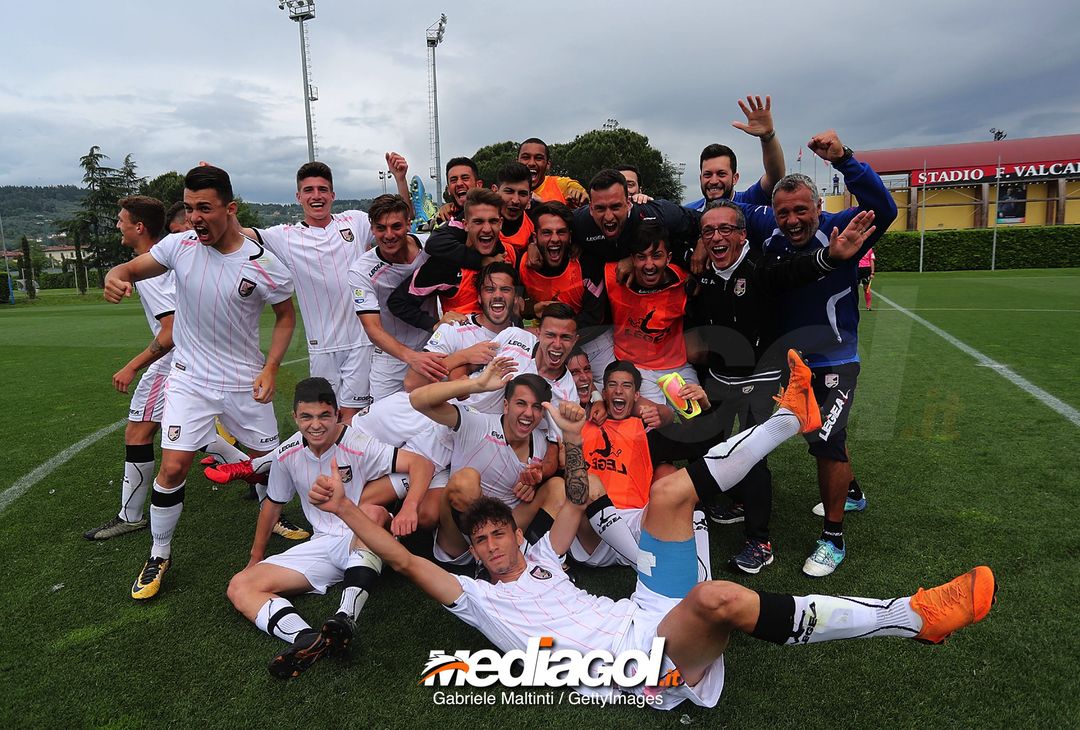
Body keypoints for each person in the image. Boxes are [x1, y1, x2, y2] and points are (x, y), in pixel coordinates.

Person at [307, 350, 995, 710]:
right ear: (480, 562)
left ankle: (791, 416)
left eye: (497, 536)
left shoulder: (545, 557)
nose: (490, 546)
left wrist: (574, 439)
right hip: (635, 667)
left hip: (643, 611)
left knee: (670, 492)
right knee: (718, 598)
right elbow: (403, 561)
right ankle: (912, 616)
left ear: (518, 537)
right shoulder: (481, 600)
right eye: (482, 544)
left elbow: (577, 497)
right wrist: (342, 508)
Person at [103, 165, 296, 600]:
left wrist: (271, 368)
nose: (195, 218)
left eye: (204, 208)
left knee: (271, 464)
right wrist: (115, 276)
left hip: (244, 381)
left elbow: (286, 317)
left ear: (230, 209)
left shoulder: (262, 263)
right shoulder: (178, 246)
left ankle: (280, 522)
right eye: (189, 208)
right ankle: (159, 553)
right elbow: (128, 269)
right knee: (172, 467)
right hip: (190, 381)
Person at [676, 200, 878, 574]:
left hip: (761, 377)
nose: (717, 237)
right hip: (719, 379)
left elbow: (796, 271)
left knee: (751, 452)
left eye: (725, 230)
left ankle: (759, 541)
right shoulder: (701, 277)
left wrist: (831, 257)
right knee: (704, 441)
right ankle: (725, 503)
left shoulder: (762, 267)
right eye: (709, 232)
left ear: (741, 234)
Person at [751, 130, 898, 577]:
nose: (793, 220)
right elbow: (722, 215)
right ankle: (852, 492)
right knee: (816, 434)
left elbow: (886, 208)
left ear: (819, 207)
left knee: (826, 441)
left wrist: (845, 159)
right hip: (790, 363)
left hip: (835, 360)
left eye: (801, 210)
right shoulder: (769, 234)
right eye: (784, 213)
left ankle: (833, 538)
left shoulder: (842, 228)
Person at [226, 377, 435, 679]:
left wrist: (411, 507)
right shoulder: (287, 453)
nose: (316, 425)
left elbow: (422, 465)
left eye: (324, 415)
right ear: (295, 417)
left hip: (365, 539)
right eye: (307, 417)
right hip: (323, 544)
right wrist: (255, 557)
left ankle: (345, 616)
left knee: (373, 513)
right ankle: (308, 638)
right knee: (240, 585)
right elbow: (273, 504)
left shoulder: (359, 444)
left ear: (337, 414)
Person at [252, 156, 410, 421]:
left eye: (322, 189)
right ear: (298, 196)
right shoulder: (283, 235)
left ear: (333, 194)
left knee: (352, 415)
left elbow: (401, 221)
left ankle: (350, 462)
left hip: (361, 341)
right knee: (325, 415)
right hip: (321, 346)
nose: (316, 196)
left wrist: (400, 179)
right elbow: (239, 234)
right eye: (309, 190)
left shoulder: (355, 221)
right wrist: (217, 199)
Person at [410, 361, 565, 566]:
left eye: (536, 407)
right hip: (462, 538)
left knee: (557, 488)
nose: (529, 413)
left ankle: (526, 558)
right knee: (465, 480)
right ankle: (484, 562)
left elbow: (552, 470)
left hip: (507, 527)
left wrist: (537, 482)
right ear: (506, 405)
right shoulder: (477, 424)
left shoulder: (541, 442)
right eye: (521, 403)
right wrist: (476, 385)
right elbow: (417, 400)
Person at [84, 196, 175, 541]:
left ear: (139, 227)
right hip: (191, 362)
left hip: (168, 366)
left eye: (122, 220)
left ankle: (130, 515)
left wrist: (132, 366)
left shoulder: (151, 271)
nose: (118, 225)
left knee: (138, 433)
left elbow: (171, 332)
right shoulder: (161, 260)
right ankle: (265, 483)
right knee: (199, 437)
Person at [571, 361, 711, 580]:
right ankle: (645, 566)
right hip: (592, 535)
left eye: (626, 386)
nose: (618, 390)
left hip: (637, 528)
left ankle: (702, 574)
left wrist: (702, 406)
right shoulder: (582, 423)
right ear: (604, 392)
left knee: (671, 475)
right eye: (613, 385)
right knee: (584, 481)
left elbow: (702, 443)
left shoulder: (645, 432)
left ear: (636, 395)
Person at [350, 194, 443, 398]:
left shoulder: (431, 248)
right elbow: (372, 328)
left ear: (409, 224)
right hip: (391, 358)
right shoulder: (361, 270)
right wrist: (412, 357)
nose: (389, 235)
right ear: (372, 229)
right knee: (380, 425)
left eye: (396, 226)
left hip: (433, 348)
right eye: (381, 228)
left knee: (438, 422)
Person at [388, 188, 516, 332]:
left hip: (506, 348)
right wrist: (434, 324)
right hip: (463, 350)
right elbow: (397, 302)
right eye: (478, 222)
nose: (486, 229)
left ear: (500, 223)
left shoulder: (507, 253)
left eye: (492, 221)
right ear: (465, 225)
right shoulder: (445, 266)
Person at [605, 222, 697, 402]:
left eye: (656, 256)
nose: (649, 265)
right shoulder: (613, 276)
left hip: (676, 366)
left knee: (695, 412)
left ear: (669, 257)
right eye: (641, 257)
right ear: (632, 259)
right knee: (655, 419)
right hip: (635, 367)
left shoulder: (685, 283)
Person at [519, 201, 613, 375]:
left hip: (594, 344)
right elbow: (516, 305)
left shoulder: (587, 264)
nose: (554, 239)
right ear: (535, 237)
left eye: (561, 232)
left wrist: (556, 335)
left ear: (570, 236)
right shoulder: (524, 264)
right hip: (548, 343)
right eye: (546, 232)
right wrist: (532, 309)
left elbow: (595, 316)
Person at [684, 95, 785, 211]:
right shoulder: (689, 213)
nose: (714, 181)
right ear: (700, 178)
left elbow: (775, 178)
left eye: (721, 174)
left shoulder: (749, 201)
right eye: (707, 175)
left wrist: (768, 137)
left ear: (735, 178)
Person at [517, 138, 588, 206]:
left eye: (538, 158)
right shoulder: (507, 187)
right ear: (517, 162)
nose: (531, 163)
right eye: (526, 157)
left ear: (548, 164)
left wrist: (582, 200)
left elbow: (586, 199)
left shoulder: (562, 185)